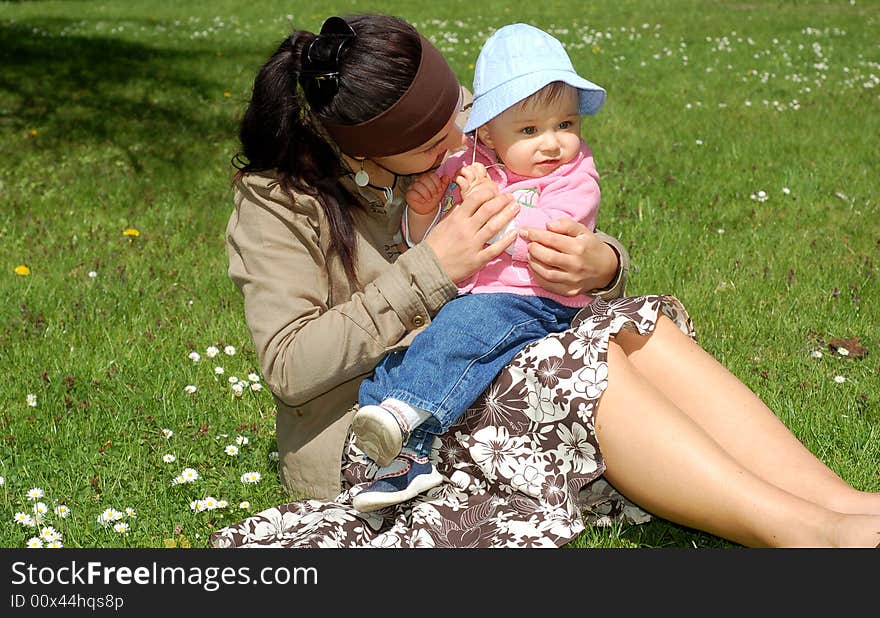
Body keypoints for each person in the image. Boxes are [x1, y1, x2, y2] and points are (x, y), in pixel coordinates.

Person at [213, 13, 880, 549]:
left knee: (631, 324)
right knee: (567, 363)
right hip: (384, 431)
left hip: (495, 351)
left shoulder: (457, 122)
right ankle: (810, 536)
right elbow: (290, 366)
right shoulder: (278, 202)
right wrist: (433, 269)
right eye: (431, 143)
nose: (458, 142)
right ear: (358, 151)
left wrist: (602, 263)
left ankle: (839, 503)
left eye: (460, 116)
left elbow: (551, 201)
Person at [351, 24, 610, 513]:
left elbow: (547, 234)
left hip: (535, 299)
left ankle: (406, 413)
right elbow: (425, 244)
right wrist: (426, 208)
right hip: (474, 296)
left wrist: (490, 206)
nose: (552, 143)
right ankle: (403, 457)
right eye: (530, 131)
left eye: (566, 125)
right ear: (487, 132)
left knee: (463, 335)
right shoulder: (470, 166)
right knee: (401, 362)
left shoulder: (575, 178)